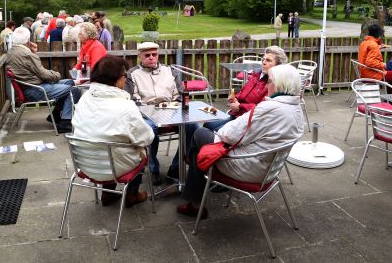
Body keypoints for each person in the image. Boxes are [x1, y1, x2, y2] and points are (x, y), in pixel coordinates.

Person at [176, 64, 305, 217]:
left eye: (269, 82)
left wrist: (220, 131)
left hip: (247, 167)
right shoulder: (296, 109)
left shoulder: (270, 108)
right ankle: (195, 192)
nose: (267, 86)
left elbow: (230, 134)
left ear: (280, 85)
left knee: (200, 134)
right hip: (269, 169)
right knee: (201, 145)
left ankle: (193, 196)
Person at [71, 56, 154, 207]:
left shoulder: (84, 99)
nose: (126, 80)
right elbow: (146, 138)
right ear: (116, 80)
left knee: (109, 141)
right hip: (115, 169)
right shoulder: (125, 107)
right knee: (140, 150)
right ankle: (132, 194)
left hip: (85, 165)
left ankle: (107, 194)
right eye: (125, 76)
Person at [125, 42, 195, 185]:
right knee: (149, 129)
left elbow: (180, 94)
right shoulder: (132, 74)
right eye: (147, 55)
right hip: (146, 113)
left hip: (171, 111)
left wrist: (173, 106)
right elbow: (132, 100)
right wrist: (151, 111)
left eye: (154, 54)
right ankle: (153, 168)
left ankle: (176, 167)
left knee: (193, 127)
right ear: (140, 56)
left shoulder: (169, 71)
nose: (151, 58)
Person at [6, 27, 80, 133]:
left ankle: (55, 116)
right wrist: (57, 74)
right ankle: (65, 122)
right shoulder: (27, 54)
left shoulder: (12, 51)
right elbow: (43, 74)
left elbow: (33, 70)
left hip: (30, 86)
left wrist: (33, 53)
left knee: (69, 82)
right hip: (36, 90)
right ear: (28, 40)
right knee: (74, 90)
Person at [358, 24, 392, 93]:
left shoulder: (364, 43)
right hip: (373, 75)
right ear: (379, 36)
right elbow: (370, 62)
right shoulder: (373, 45)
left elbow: (367, 54)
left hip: (364, 73)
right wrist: (383, 65)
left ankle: (390, 98)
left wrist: (378, 47)